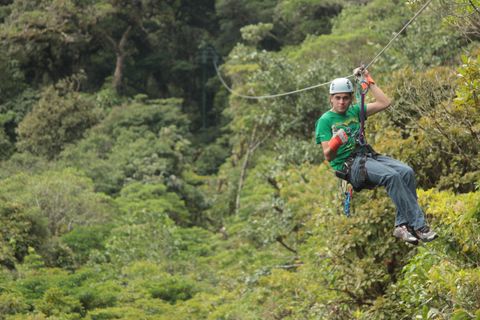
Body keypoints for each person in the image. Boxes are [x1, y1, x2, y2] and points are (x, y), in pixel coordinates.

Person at [315, 67, 437, 244]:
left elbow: (384, 102)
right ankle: (420, 226)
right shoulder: (325, 121)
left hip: (366, 156)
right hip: (350, 166)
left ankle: (401, 226)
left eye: (345, 98)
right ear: (331, 99)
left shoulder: (355, 111)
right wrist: (336, 141)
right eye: (337, 98)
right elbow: (328, 156)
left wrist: (367, 79)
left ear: (351, 99)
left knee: (406, 171)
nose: (341, 102)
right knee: (391, 176)